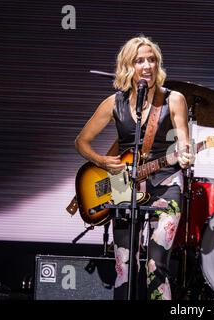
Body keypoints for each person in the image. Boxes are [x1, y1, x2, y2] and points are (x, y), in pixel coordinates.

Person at [75, 36, 193, 300]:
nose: (148, 65)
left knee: (155, 266)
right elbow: (81, 141)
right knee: (124, 268)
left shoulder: (174, 100)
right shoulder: (114, 103)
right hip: (124, 186)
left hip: (166, 182)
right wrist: (102, 161)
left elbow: (184, 140)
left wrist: (185, 154)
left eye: (152, 60)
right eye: (140, 60)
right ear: (129, 66)